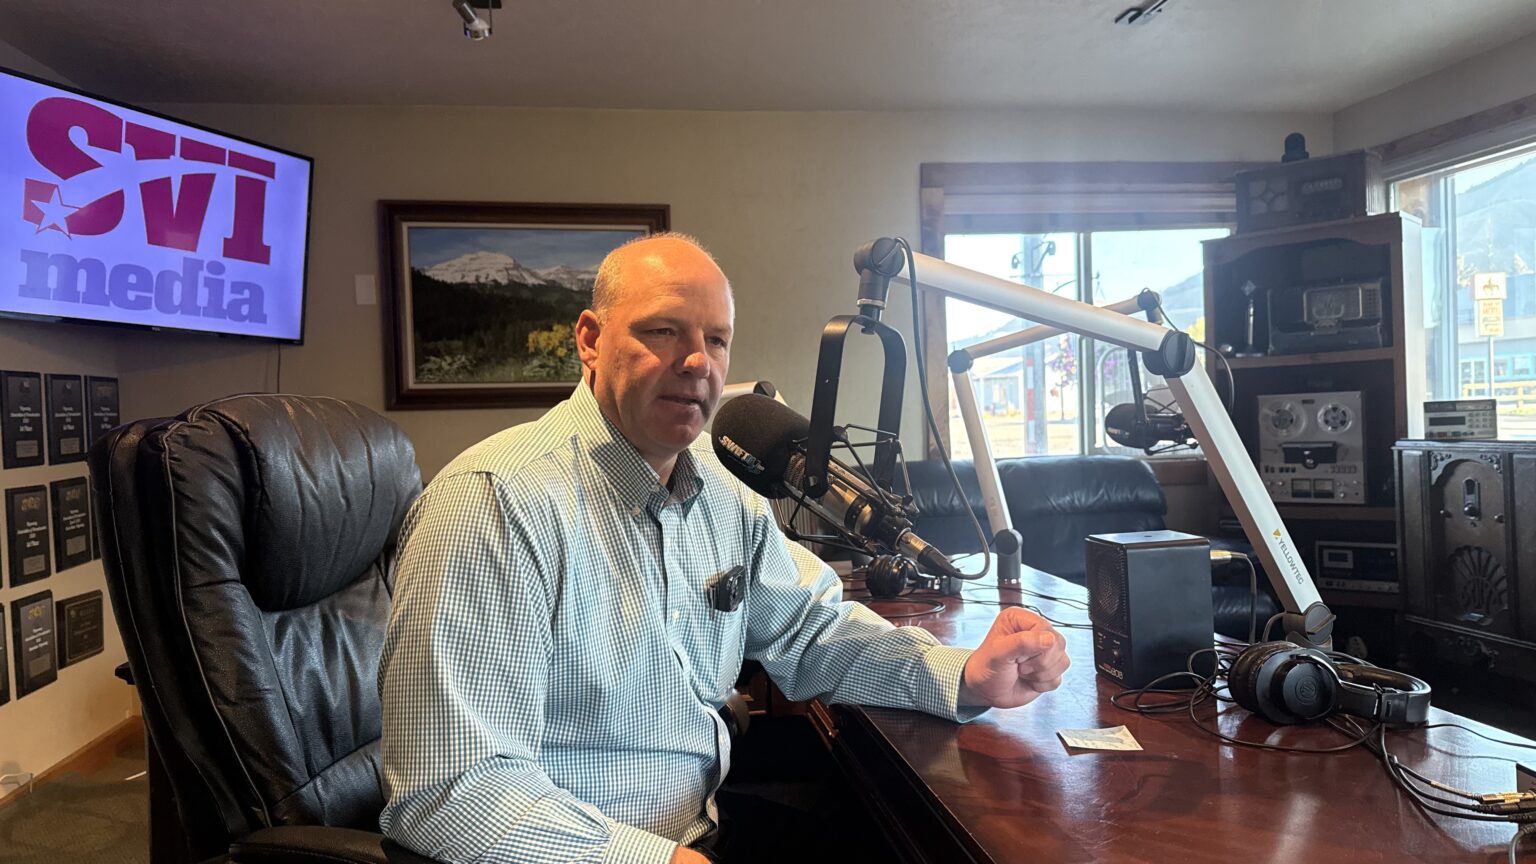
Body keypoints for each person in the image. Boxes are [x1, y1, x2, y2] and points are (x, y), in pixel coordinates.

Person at [378, 233, 1071, 864]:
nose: (696, 363)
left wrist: (963, 674)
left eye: (716, 340)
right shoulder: (492, 505)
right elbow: (454, 791)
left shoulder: (721, 484)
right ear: (589, 340)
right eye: (662, 331)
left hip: (702, 827)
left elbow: (812, 633)